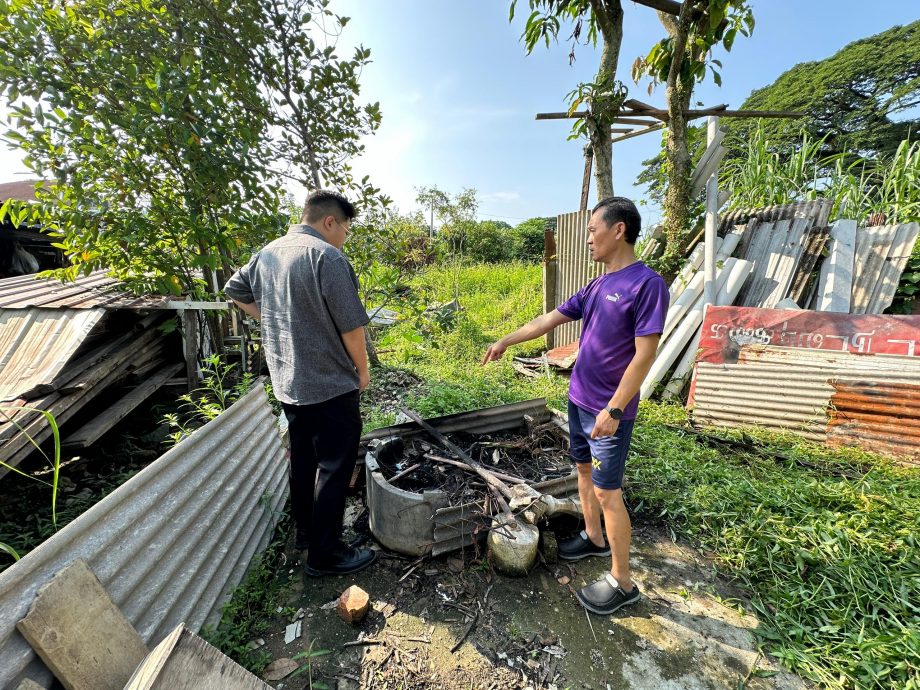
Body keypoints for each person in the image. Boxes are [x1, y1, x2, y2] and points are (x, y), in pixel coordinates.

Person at [482, 196, 667, 614]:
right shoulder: (597, 285)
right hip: (580, 401)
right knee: (582, 473)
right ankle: (594, 539)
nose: (587, 239)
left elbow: (644, 356)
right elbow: (548, 320)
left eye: (591, 229)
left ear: (618, 230)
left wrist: (615, 409)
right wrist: (506, 341)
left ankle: (622, 582)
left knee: (608, 491)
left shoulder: (646, 284)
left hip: (608, 411)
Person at [224, 189, 376, 577]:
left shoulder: (269, 252)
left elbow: (234, 289)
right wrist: (362, 371)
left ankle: (308, 535)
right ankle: (325, 555)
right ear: (330, 221)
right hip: (328, 382)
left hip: (288, 379)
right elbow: (351, 326)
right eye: (345, 228)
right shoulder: (326, 256)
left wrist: (272, 319)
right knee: (335, 465)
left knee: (304, 461)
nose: (344, 236)